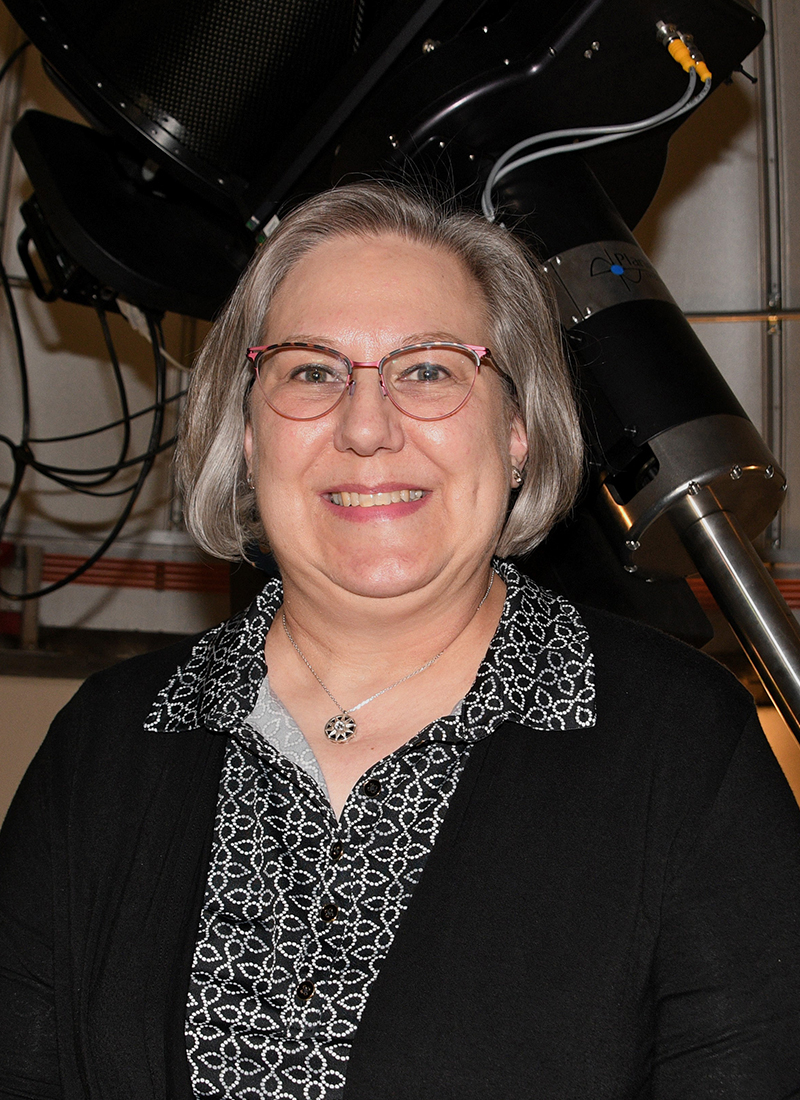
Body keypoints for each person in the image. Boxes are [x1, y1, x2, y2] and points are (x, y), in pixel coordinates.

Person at [1, 181, 799, 1100]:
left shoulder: (687, 751)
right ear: (248, 434)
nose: (367, 427)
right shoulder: (107, 744)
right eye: (310, 370)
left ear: (517, 429)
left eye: (429, 369)